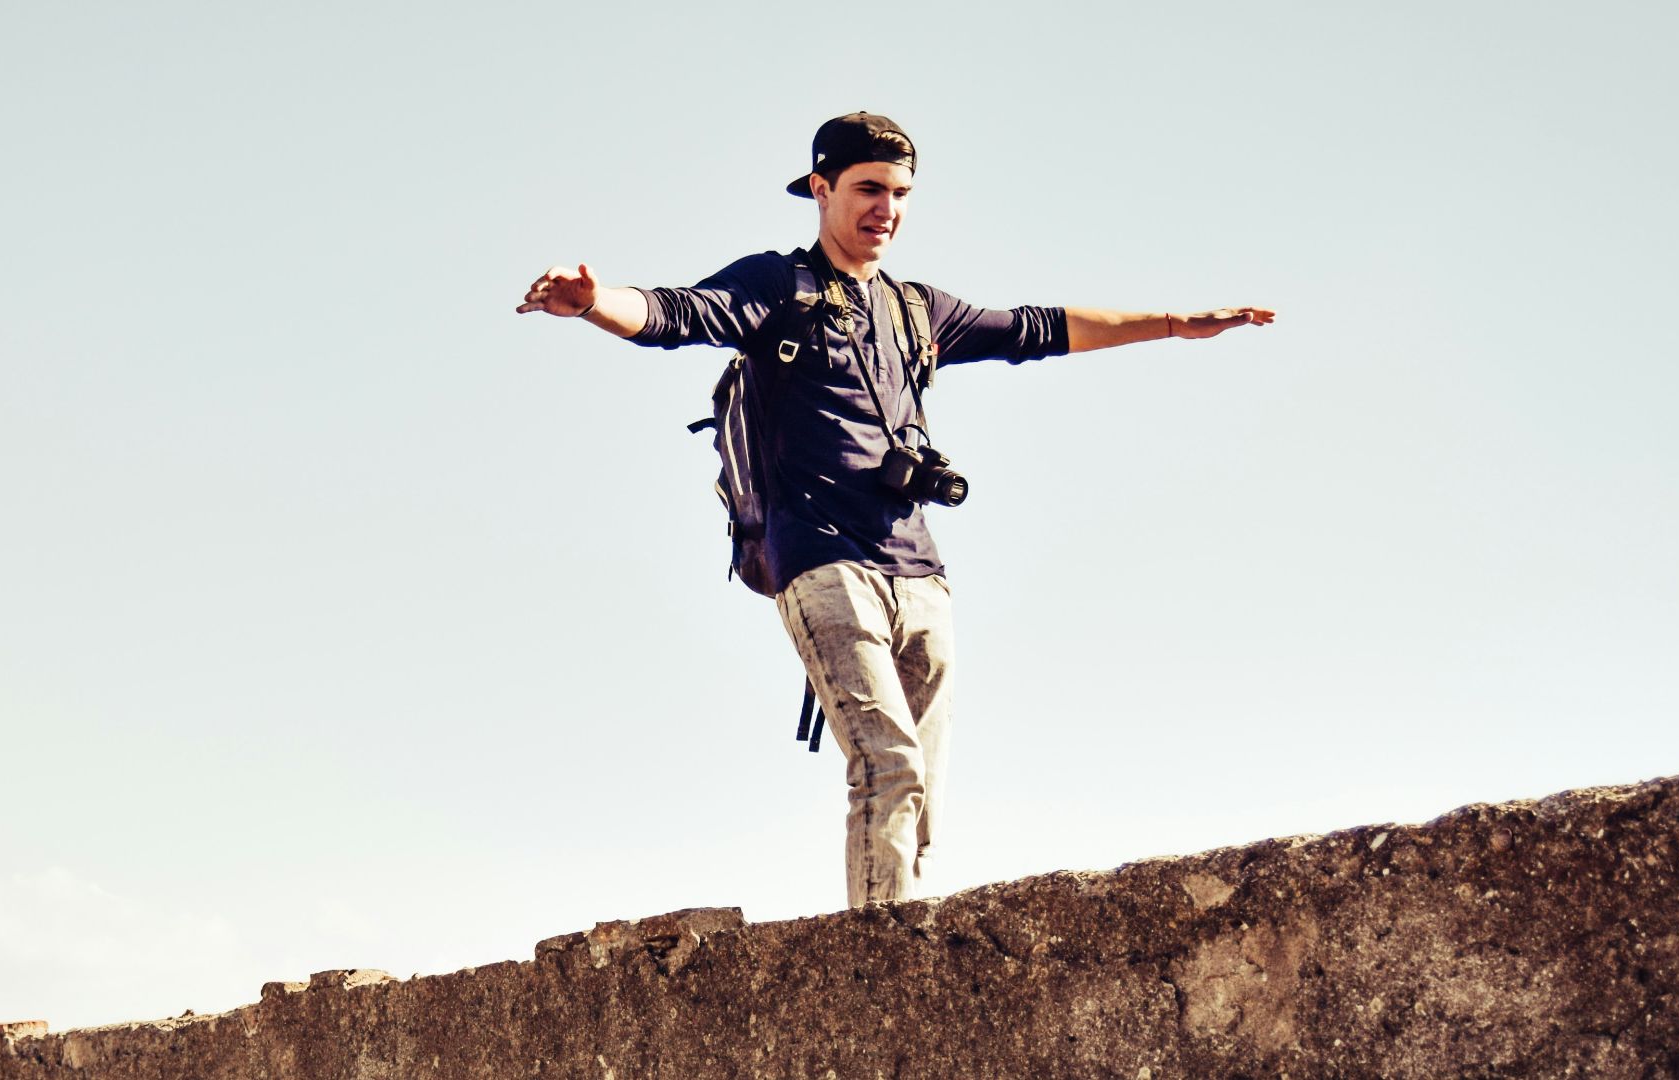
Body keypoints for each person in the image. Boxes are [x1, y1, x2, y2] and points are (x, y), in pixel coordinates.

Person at [517, 112, 1274, 909]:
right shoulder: (781, 285)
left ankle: (906, 941)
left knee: (924, 798)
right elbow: (678, 313)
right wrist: (598, 301)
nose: (887, 208)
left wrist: (1172, 326)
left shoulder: (918, 310)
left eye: (901, 193)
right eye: (869, 188)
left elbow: (1038, 330)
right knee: (889, 765)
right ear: (822, 189)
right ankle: (880, 967)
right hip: (822, 561)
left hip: (919, 572)